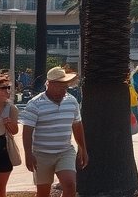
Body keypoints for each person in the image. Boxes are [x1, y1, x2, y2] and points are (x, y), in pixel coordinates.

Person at [20, 67, 86, 197]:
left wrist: (83, 148)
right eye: (60, 87)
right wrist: (28, 153)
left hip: (65, 151)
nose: (64, 90)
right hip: (41, 154)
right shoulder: (35, 104)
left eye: (65, 87)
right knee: (43, 193)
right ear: (49, 84)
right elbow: (27, 130)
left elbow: (77, 126)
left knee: (70, 184)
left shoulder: (71, 101)